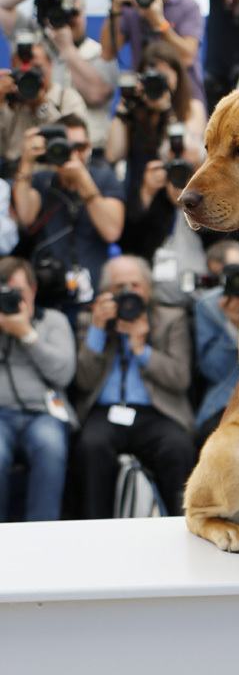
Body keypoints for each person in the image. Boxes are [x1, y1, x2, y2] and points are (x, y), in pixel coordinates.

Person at [71, 254, 197, 519]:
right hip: (106, 412)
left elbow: (180, 378)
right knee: (90, 447)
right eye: (119, 287)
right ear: (106, 292)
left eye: (135, 285)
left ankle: (182, 523)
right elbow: (84, 380)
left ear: (148, 289)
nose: (128, 293)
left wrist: (141, 349)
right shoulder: (90, 320)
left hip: (157, 412)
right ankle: (94, 527)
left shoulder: (170, 319)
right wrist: (98, 329)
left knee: (178, 447)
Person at [105, 41, 206, 273]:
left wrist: (167, 111)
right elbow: (112, 153)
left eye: (164, 77)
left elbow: (188, 150)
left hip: (177, 200)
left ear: (178, 77)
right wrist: (124, 108)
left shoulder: (191, 107)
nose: (157, 83)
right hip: (143, 200)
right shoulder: (134, 110)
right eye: (152, 77)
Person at [12, 113, 125, 306]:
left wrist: (82, 179)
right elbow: (25, 216)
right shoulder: (42, 180)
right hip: (49, 297)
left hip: (94, 299)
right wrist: (27, 161)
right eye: (64, 146)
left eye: (79, 147)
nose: (72, 153)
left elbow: (112, 231)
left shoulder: (105, 179)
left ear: (89, 147)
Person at [0, 0, 118, 154]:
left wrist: (67, 49)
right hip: (37, 149)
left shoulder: (100, 53)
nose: (66, 20)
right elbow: (2, 5)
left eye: (73, 13)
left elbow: (97, 95)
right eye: (59, 13)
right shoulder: (35, 45)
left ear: (83, 12)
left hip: (87, 152)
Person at [0, 255, 76, 521]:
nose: (12, 298)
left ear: (33, 290)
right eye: (4, 292)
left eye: (17, 291)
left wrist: (27, 335)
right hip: (1, 416)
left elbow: (64, 374)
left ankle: (42, 535)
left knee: (50, 446)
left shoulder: (53, 321)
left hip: (44, 414)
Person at [101, 0, 206, 108]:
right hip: (144, 100)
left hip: (184, 101)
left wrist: (158, 22)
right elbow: (108, 53)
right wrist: (115, 7)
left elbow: (187, 58)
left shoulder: (187, 6)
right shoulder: (129, 10)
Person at [0, 37, 87, 179]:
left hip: (56, 175)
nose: (30, 75)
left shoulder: (67, 98)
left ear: (50, 65)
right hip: (12, 176)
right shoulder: (8, 101)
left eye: (37, 68)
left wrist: (42, 104)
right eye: (24, 69)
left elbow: (77, 145)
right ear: (13, 68)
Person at [193, 240, 239, 444]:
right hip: (227, 399)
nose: (236, 279)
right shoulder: (209, 306)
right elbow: (213, 371)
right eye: (225, 274)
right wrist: (232, 326)